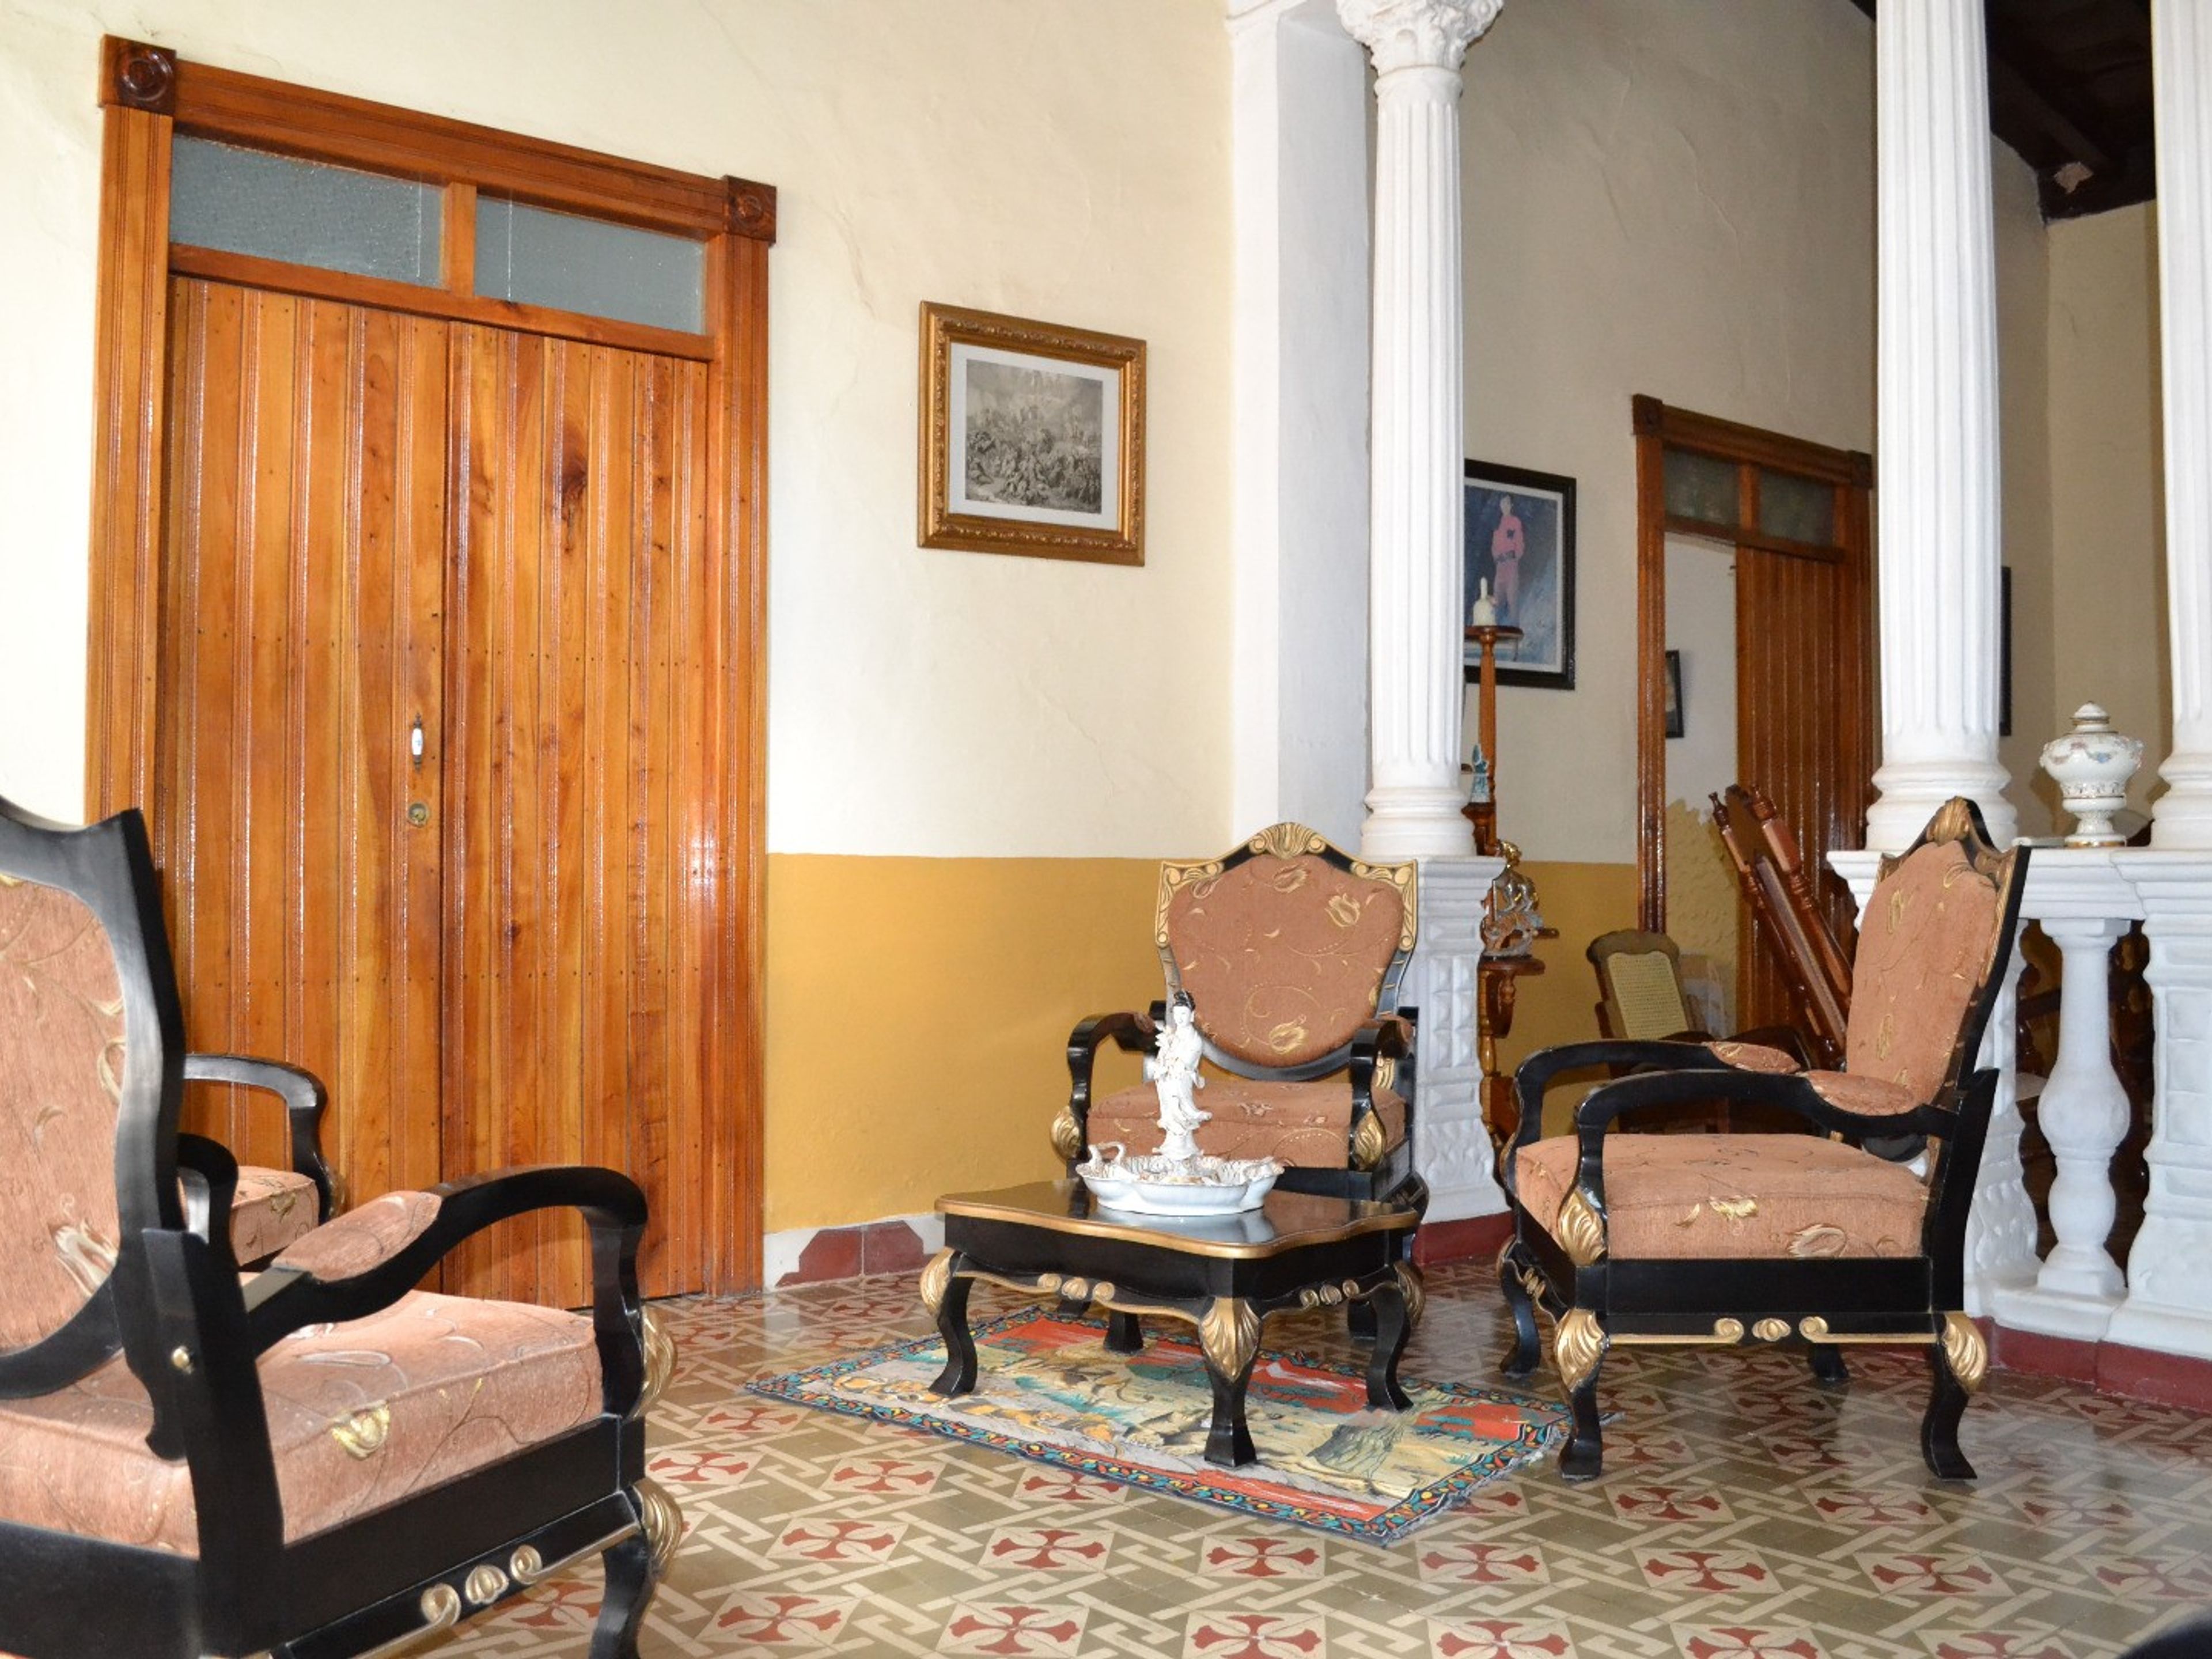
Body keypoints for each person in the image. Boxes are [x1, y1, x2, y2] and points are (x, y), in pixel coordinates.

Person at [1145, 992, 1209, 1164]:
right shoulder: (1170, 1036)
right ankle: (1173, 1145)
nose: (1180, 1018)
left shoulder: (1194, 1040)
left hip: (1180, 1080)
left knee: (1179, 1109)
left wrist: (1170, 1064)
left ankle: (1182, 1148)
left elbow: (1185, 1063)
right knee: (1169, 1109)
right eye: (1177, 1014)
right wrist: (1163, 1059)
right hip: (1166, 1080)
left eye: (1184, 1014)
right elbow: (1162, 1057)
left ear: (1192, 1015)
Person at [1490, 495, 1526, 623]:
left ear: (1511, 506)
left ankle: (1515, 635)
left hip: (1512, 567)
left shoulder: (1516, 522)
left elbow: (1520, 545)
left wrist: (1513, 555)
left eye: (1507, 503)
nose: (1504, 506)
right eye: (1502, 503)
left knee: (1513, 601)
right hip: (1500, 569)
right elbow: (1494, 547)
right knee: (1497, 602)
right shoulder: (1497, 523)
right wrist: (1496, 557)